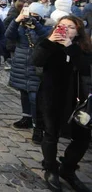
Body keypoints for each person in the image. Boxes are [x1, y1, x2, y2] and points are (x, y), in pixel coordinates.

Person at [32, 16, 92, 192]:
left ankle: (68, 168)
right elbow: (36, 61)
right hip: (52, 95)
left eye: (70, 27)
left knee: (82, 137)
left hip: (77, 97)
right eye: (61, 26)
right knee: (51, 133)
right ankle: (50, 168)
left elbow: (85, 68)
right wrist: (50, 42)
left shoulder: (82, 47)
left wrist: (70, 47)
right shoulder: (48, 43)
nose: (65, 29)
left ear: (78, 31)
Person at [5, 2, 51, 145]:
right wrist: (17, 20)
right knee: (24, 92)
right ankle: (27, 117)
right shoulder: (21, 26)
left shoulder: (48, 26)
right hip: (21, 62)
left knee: (35, 96)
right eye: (30, 15)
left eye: (35, 15)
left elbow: (46, 36)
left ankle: (39, 127)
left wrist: (35, 24)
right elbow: (9, 35)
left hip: (36, 65)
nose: (32, 18)